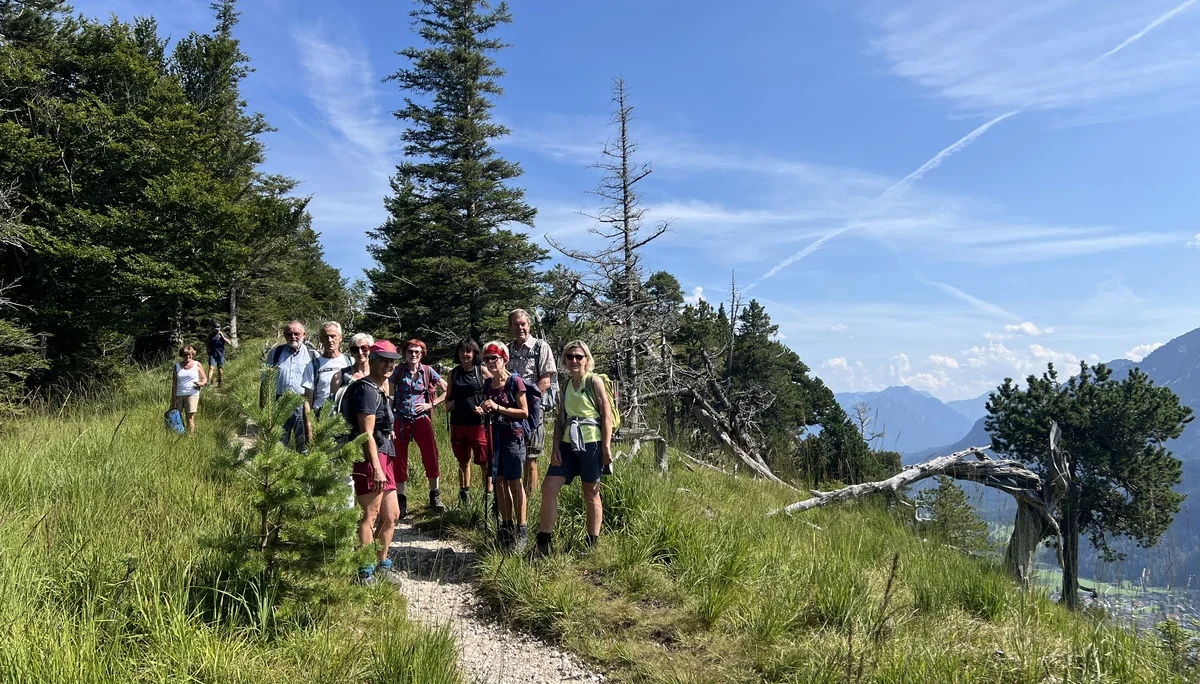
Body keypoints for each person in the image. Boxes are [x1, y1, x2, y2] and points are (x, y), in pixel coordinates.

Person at [537, 340, 613, 557]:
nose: (574, 360)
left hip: (592, 443)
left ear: (587, 359)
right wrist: (555, 449)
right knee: (549, 487)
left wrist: (606, 447)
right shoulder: (566, 384)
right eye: (569, 357)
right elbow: (561, 419)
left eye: (578, 356)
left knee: (591, 492)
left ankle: (592, 545)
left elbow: (606, 414)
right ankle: (544, 542)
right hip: (569, 443)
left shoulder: (594, 381)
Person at [348, 340, 402, 584]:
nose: (388, 364)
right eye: (384, 360)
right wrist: (377, 468)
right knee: (370, 515)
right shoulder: (367, 390)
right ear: (373, 360)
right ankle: (365, 571)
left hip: (385, 453)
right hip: (371, 458)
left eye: (392, 360)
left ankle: (383, 564)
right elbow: (365, 433)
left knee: (392, 515)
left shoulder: (383, 386)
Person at [481, 341, 531, 552]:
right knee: (499, 482)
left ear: (505, 359)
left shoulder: (515, 381)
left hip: (513, 437)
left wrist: (498, 407)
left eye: (495, 358)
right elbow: (489, 406)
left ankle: (522, 530)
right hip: (495, 436)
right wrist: (483, 409)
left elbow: (524, 412)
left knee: (514, 483)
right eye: (487, 359)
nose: (491, 362)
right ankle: (506, 527)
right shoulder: (488, 384)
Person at [390, 338, 448, 517]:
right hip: (401, 419)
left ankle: (434, 495)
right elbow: (390, 395)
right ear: (405, 353)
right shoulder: (398, 372)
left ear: (422, 354)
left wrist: (431, 404)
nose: (413, 355)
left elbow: (447, 389)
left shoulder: (428, 371)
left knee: (431, 455)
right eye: (410, 351)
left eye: (417, 352)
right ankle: (401, 499)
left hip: (422, 419)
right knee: (399, 458)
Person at [507, 308, 557, 496]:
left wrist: (524, 403)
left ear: (529, 325)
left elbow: (545, 381)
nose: (520, 328)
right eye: (516, 324)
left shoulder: (541, 347)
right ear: (510, 327)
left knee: (531, 456)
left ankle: (530, 498)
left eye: (523, 324)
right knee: (512, 454)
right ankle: (513, 497)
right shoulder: (506, 349)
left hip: (534, 409)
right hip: (510, 411)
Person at [446, 338, 492, 507]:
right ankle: (464, 496)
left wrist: (484, 407)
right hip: (458, 422)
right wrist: (448, 405)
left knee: (484, 461)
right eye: (462, 351)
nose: (465, 355)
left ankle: (488, 496)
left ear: (474, 354)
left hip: (478, 423)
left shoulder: (482, 371)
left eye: (468, 351)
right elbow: (449, 396)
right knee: (462, 460)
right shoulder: (454, 373)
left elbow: (492, 393)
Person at [261, 320, 316, 451]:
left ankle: (302, 470)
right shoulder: (275, 353)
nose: (293, 337)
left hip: (303, 404)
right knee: (278, 445)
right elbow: (265, 381)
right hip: (279, 403)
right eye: (288, 334)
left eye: (296, 333)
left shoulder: (313, 355)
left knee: (304, 445)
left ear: (304, 334)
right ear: (284, 335)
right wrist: (263, 409)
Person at [312, 321, 351, 417]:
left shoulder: (350, 361)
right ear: (320, 339)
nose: (329, 340)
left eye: (333, 336)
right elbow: (307, 398)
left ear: (340, 338)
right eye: (325, 337)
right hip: (320, 415)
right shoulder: (313, 365)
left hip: (344, 415)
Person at [171, 345, 208, 434]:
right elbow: (174, 383)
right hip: (179, 394)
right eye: (185, 355)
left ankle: (190, 436)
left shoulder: (197, 364)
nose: (187, 357)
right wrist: (173, 397)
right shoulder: (177, 366)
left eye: (190, 355)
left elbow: (205, 378)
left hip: (192, 394)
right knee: (176, 416)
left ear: (192, 354)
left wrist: (201, 383)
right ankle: (179, 434)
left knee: (190, 417)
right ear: (181, 355)